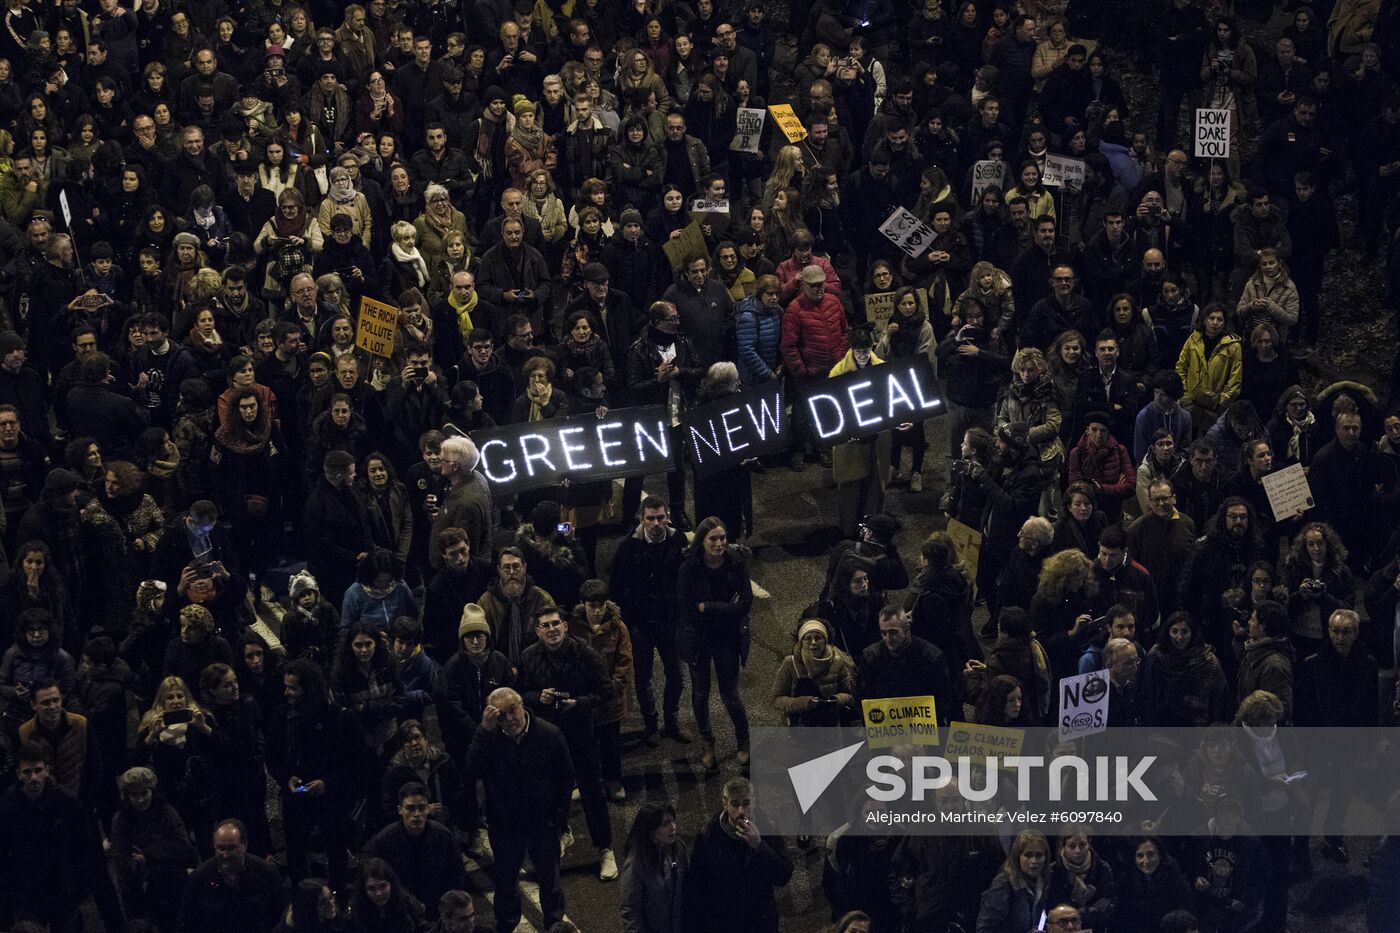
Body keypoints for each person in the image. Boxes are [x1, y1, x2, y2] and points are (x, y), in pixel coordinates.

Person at [517, 605, 618, 880]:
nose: (551, 629)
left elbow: (606, 690)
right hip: (547, 736)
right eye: (545, 625)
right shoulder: (528, 657)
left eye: (555, 624)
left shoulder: (586, 654)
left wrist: (579, 703)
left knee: (592, 793)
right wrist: (540, 698)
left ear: (565, 626)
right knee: (550, 791)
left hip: (580, 732)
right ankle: (562, 833)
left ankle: (605, 849)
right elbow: (522, 693)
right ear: (538, 631)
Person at [466, 687, 573, 933]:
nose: (510, 719)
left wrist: (558, 817)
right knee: (505, 882)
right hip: (505, 825)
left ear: (522, 705)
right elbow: (471, 769)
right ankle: (506, 925)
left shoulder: (549, 734)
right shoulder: (489, 737)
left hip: (543, 824)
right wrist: (483, 730)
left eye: (512, 710)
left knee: (550, 880)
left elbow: (566, 778)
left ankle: (555, 925)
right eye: (501, 715)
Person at [609, 496, 690, 747]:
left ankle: (672, 721)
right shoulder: (627, 548)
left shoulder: (678, 540)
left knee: (676, 676)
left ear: (667, 516)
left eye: (660, 517)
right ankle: (651, 724)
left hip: (670, 622)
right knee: (643, 678)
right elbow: (616, 588)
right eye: (650, 518)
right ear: (641, 520)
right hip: (642, 624)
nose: (656, 523)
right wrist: (630, 621)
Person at [675, 516, 752, 772]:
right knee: (700, 694)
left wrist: (709, 607)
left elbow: (744, 605)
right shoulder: (689, 567)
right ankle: (708, 743)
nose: (719, 543)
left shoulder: (736, 563)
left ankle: (744, 740)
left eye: (722, 538)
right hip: (699, 638)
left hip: (727, 638)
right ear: (702, 541)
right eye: (713, 539)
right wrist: (725, 609)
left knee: (730, 695)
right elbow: (686, 609)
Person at [681, 777, 793, 933]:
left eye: (746, 803)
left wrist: (759, 846)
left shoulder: (768, 827)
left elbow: (783, 875)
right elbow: (697, 884)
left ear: (753, 802)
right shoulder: (709, 835)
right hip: (725, 920)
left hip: (759, 919)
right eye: (735, 804)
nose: (741, 811)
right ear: (724, 804)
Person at [178, 820, 288, 933]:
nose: (225, 854)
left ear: (244, 845)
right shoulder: (199, 877)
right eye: (220, 848)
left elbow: (282, 917)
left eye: (231, 848)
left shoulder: (266, 873)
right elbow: (187, 922)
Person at [620, 800, 687, 933]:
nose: (673, 827)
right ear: (650, 830)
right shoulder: (636, 864)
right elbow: (630, 911)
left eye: (673, 821)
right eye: (665, 824)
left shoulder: (678, 848)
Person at [976, 831, 1051, 933]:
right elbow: (984, 930)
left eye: (1039, 855)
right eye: (1028, 855)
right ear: (1017, 857)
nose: (1034, 861)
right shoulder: (1003, 885)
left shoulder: (1044, 881)